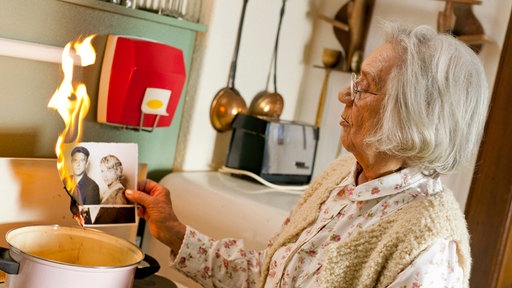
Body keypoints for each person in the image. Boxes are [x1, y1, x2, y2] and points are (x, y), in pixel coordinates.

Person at [125, 22, 489, 287]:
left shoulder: (428, 247)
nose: (344, 96)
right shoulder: (341, 177)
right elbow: (269, 275)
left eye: (364, 88)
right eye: (353, 82)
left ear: (415, 115)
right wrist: (174, 232)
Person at [94, 154, 135, 224]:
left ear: (117, 172)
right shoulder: (107, 192)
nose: (105, 175)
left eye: (109, 171)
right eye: (102, 171)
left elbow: (122, 226)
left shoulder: (120, 195)